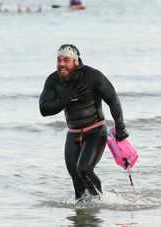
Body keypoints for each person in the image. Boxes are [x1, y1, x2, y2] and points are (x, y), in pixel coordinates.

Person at [39, 44, 129, 202]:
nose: (61, 64)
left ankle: (100, 201)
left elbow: (113, 99)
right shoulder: (53, 80)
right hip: (73, 134)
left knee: (84, 169)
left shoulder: (92, 76)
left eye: (66, 60)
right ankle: (82, 214)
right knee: (76, 177)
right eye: (59, 60)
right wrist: (66, 98)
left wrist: (120, 126)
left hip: (95, 131)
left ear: (75, 61)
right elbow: (44, 109)